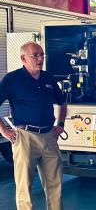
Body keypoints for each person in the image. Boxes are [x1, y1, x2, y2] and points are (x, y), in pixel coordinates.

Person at [0, 41, 67, 210]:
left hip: (49, 136)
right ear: (23, 58)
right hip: (25, 137)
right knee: (24, 186)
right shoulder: (12, 79)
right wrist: (4, 131)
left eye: (42, 54)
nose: (40, 59)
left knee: (55, 184)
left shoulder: (48, 78)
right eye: (35, 55)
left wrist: (60, 123)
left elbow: (62, 102)